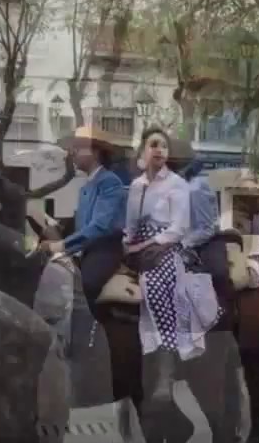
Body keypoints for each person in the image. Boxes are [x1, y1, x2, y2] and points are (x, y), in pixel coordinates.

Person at [124, 127, 190, 399]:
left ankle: (166, 375)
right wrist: (126, 243)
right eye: (154, 145)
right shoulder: (137, 186)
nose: (159, 150)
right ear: (144, 150)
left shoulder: (176, 184)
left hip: (165, 248)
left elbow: (179, 228)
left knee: (159, 286)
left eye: (164, 146)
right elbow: (129, 225)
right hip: (136, 247)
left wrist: (147, 245)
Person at [38, 126, 127, 316]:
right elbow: (81, 223)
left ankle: (92, 336)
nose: (73, 152)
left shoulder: (109, 182)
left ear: (95, 152)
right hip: (85, 249)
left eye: (78, 147)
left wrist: (59, 246)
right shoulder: (87, 185)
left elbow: (99, 226)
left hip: (104, 249)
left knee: (86, 284)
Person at [181, 156, 232, 309]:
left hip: (206, 240)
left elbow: (206, 229)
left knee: (216, 273)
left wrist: (183, 243)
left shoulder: (195, 189)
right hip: (186, 238)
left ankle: (221, 311)